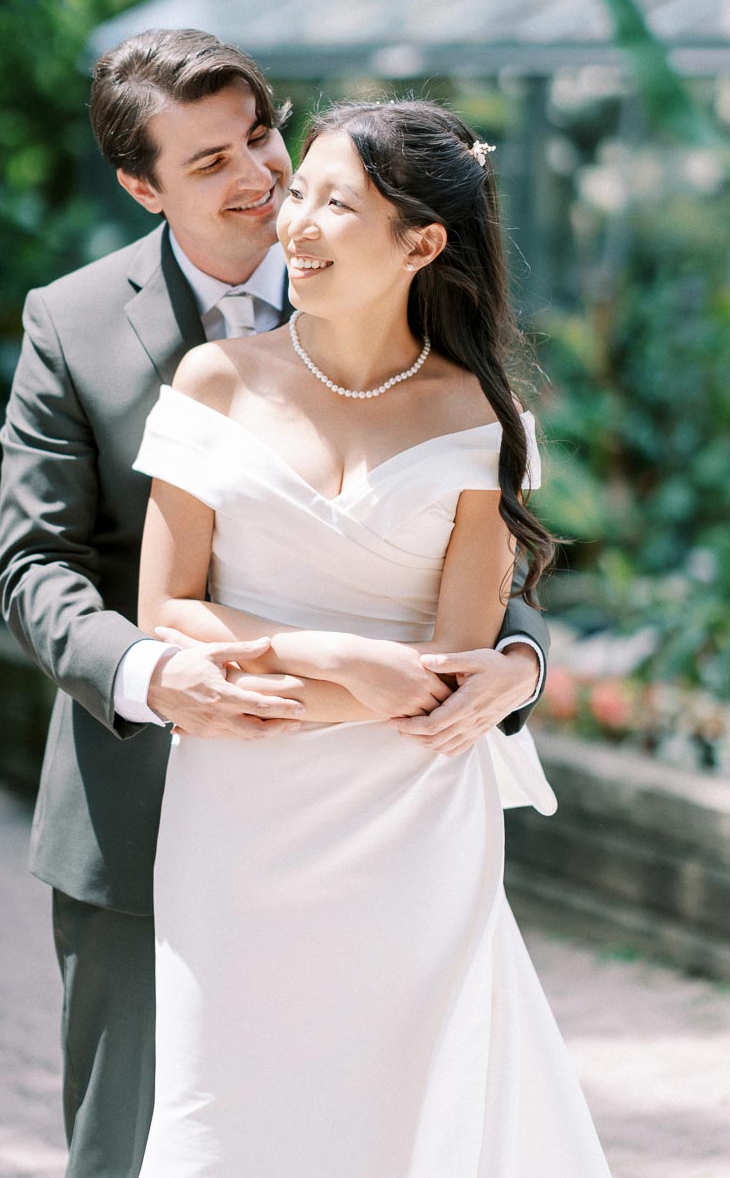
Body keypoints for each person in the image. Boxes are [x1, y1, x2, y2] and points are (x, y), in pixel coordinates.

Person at [0, 30, 550, 1178]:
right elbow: (37, 562)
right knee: (144, 1141)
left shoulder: (444, 367)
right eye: (210, 163)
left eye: (263, 137)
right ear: (143, 187)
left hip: (389, 804)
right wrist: (155, 673)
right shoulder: (75, 323)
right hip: (152, 794)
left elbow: (485, 560)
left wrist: (519, 663)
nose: (259, 178)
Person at [132, 99, 610, 1176]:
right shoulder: (216, 380)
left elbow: (444, 680)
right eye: (296, 191)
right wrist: (330, 655)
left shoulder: (479, 419)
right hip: (238, 810)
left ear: (422, 243)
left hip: (414, 819)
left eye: (335, 204)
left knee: (401, 1104)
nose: (294, 223)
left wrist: (385, 683)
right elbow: (165, 611)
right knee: (228, 1096)